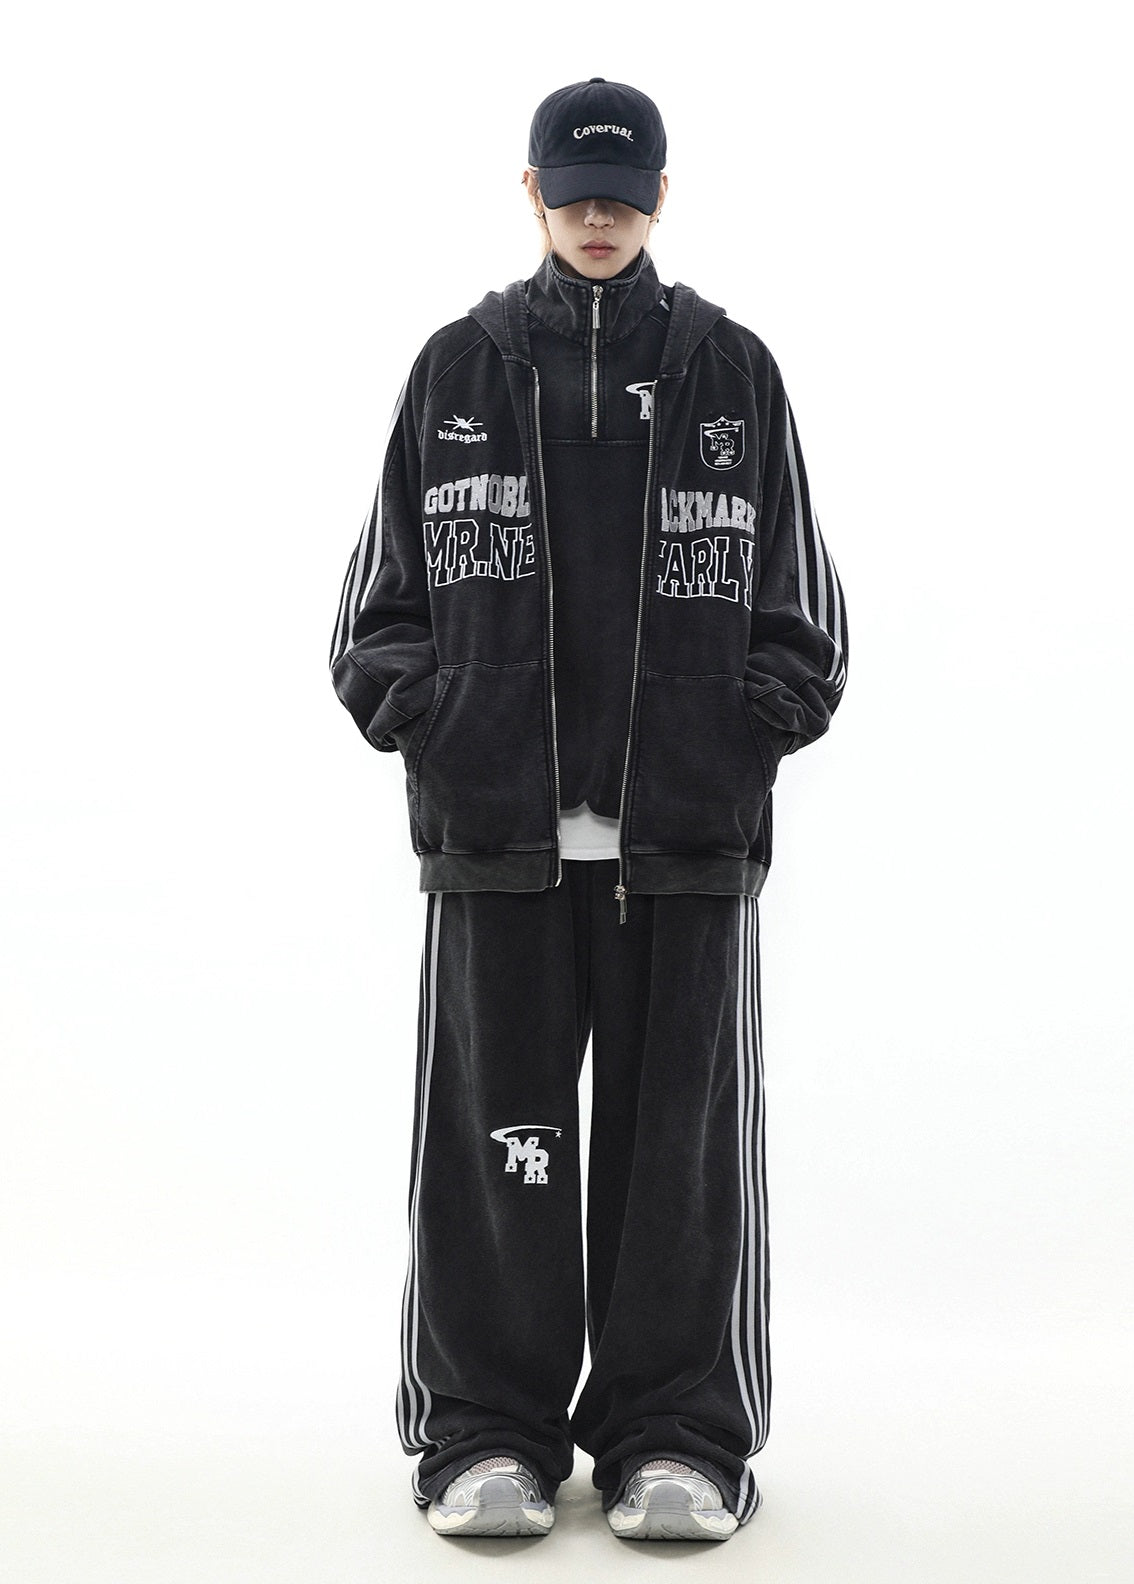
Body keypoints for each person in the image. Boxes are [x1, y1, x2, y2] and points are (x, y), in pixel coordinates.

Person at [329, 77, 848, 1544]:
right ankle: (483, 1436)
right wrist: (440, 724)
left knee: (677, 1165)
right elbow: (375, 618)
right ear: (533, 194)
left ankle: (676, 1441)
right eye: (575, 194)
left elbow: (804, 620)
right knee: (495, 1156)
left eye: (621, 195)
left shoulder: (731, 371)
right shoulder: (459, 368)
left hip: (684, 847)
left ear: (662, 198)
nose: (599, 217)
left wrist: (741, 736)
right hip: (498, 846)